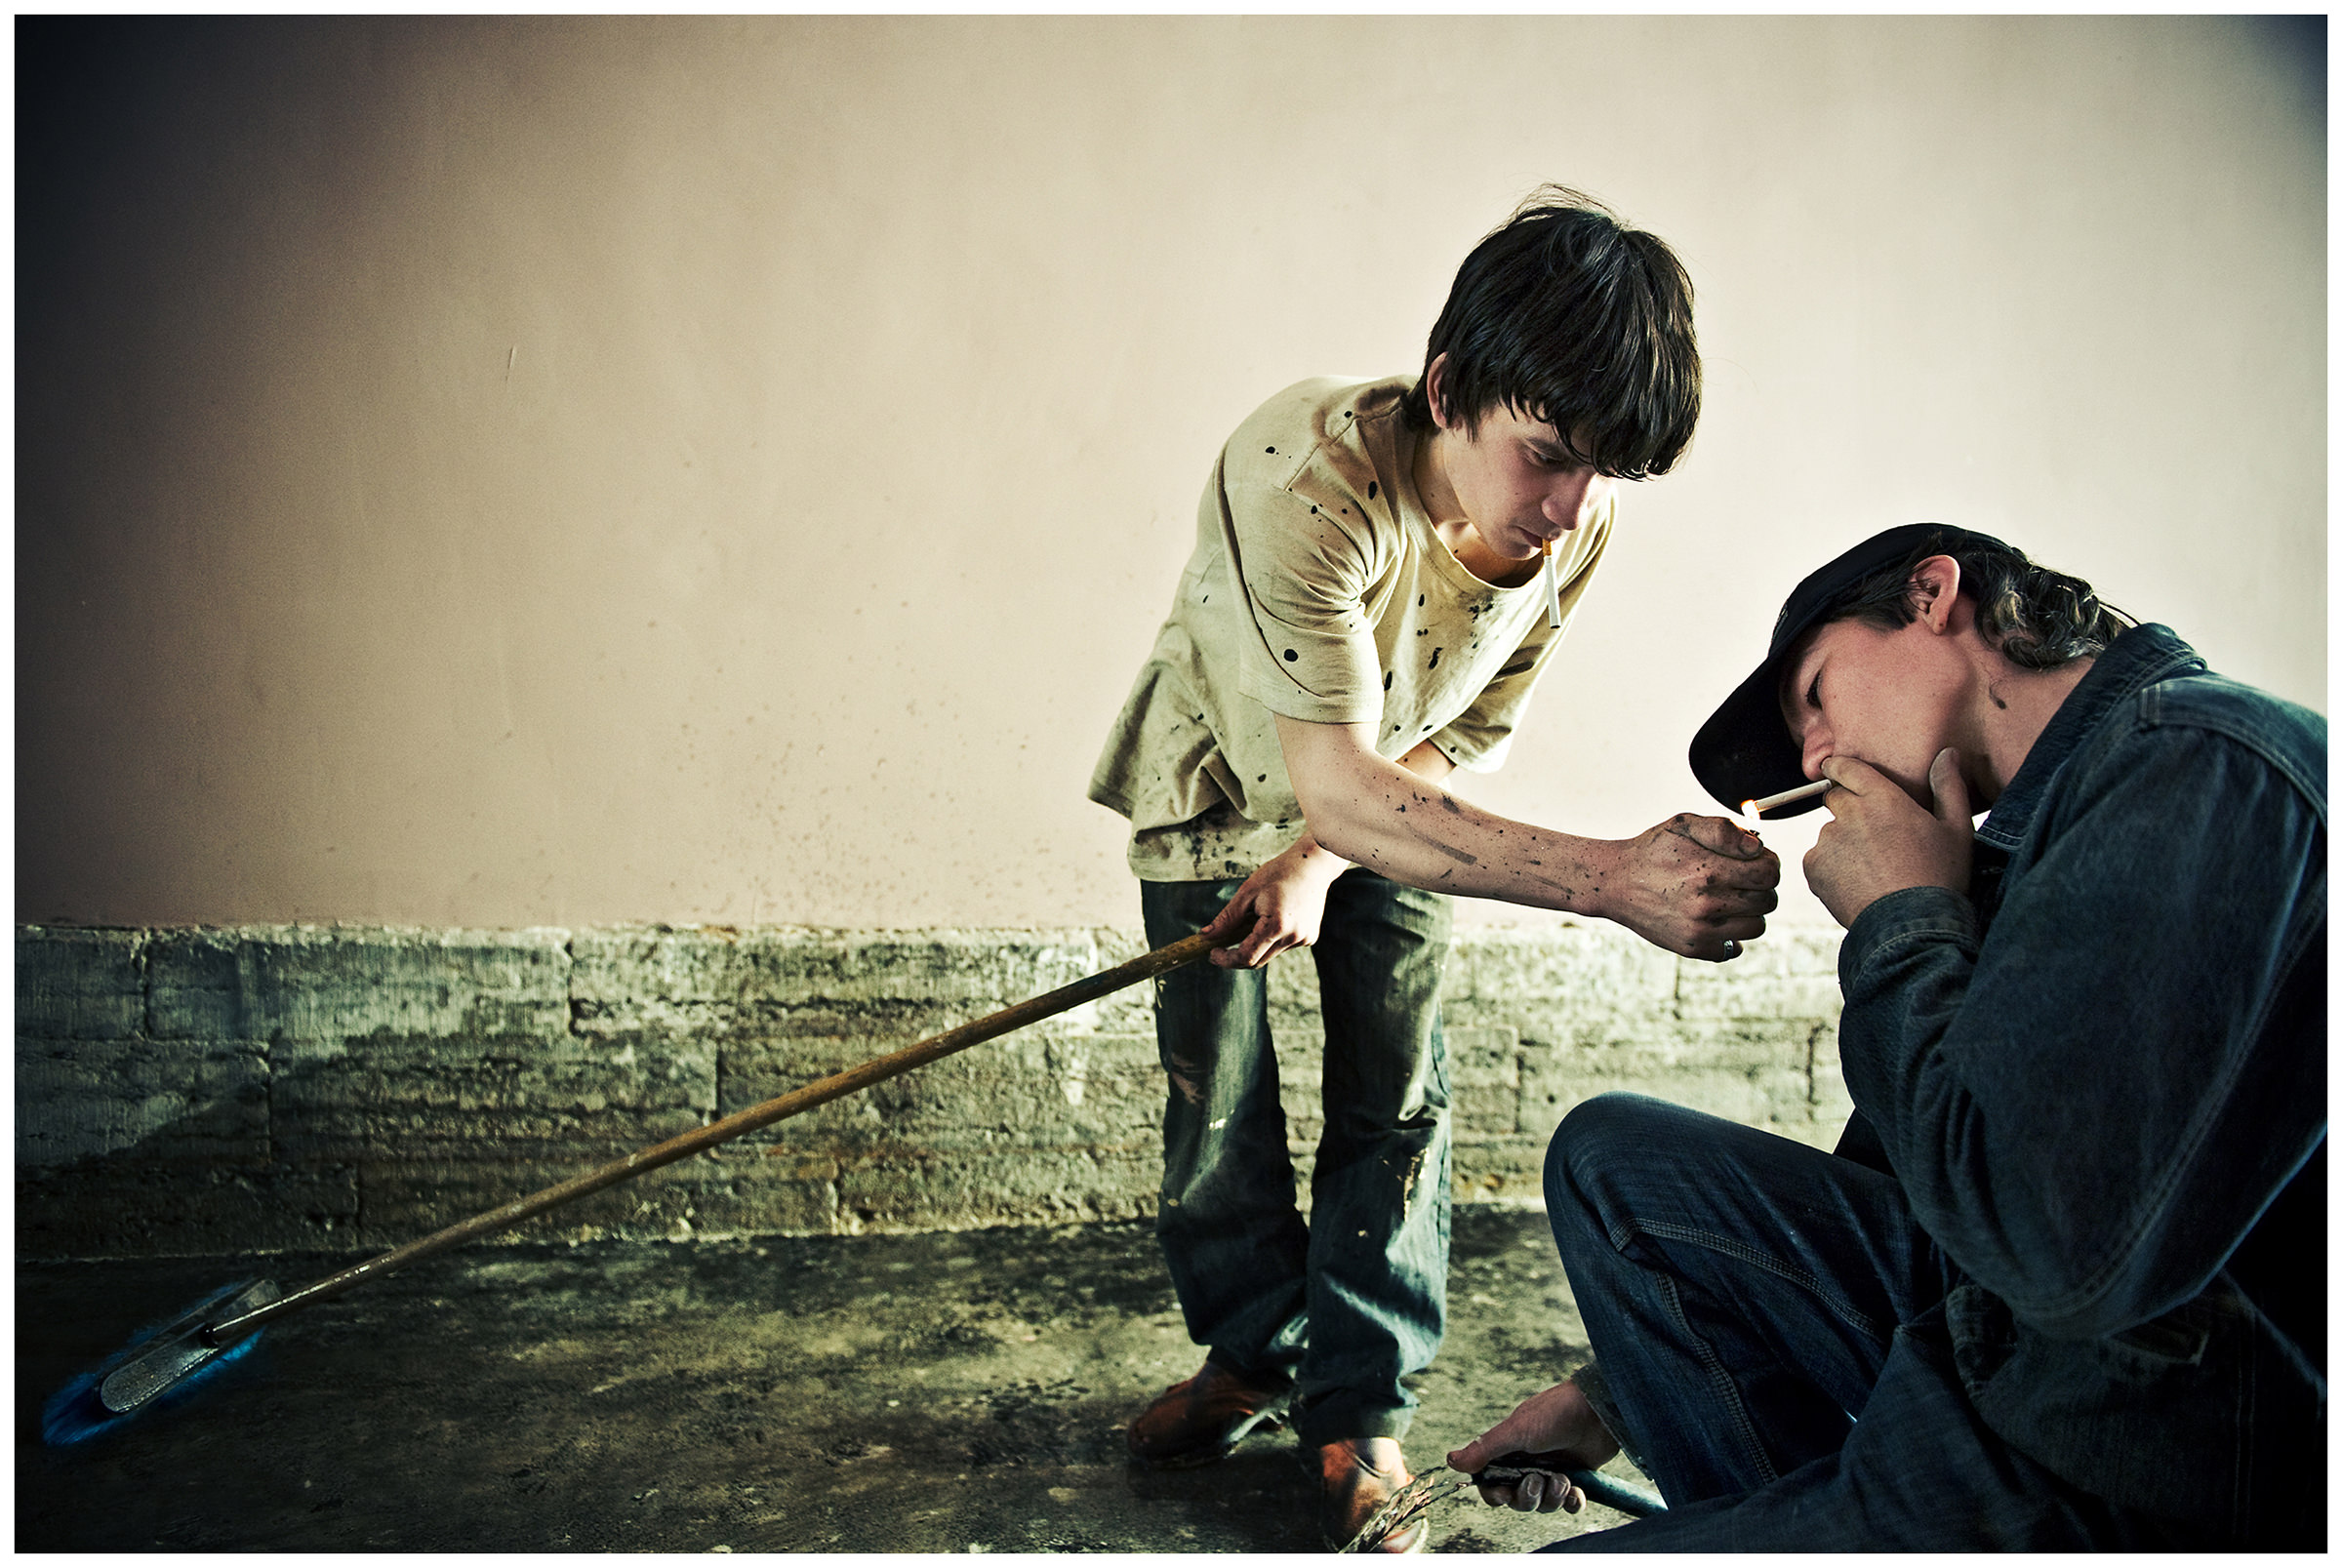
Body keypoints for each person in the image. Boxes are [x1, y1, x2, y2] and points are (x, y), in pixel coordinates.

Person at [1087, 187, 1781, 1551]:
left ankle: (1359, 1408)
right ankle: (1251, 1357)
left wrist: (1321, 858)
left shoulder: (1575, 518)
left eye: (1605, 472)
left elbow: (1463, 726)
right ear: (1451, 388)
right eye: (1549, 454)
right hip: (1222, 785)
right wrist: (1615, 878)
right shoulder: (1302, 477)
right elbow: (1330, 773)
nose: (1571, 506)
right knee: (1214, 1095)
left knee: (1396, 1098)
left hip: (1407, 807)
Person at [1447, 523, 2325, 1549]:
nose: (1815, 757)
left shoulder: (2200, 762)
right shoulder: (2031, 831)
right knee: (1612, 1159)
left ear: (1931, 594)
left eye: (1817, 694)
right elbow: (1909, 1179)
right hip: (2008, 1363)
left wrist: (1900, 917)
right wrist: (1615, 1396)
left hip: (2129, 1456)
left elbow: (2044, 1241)